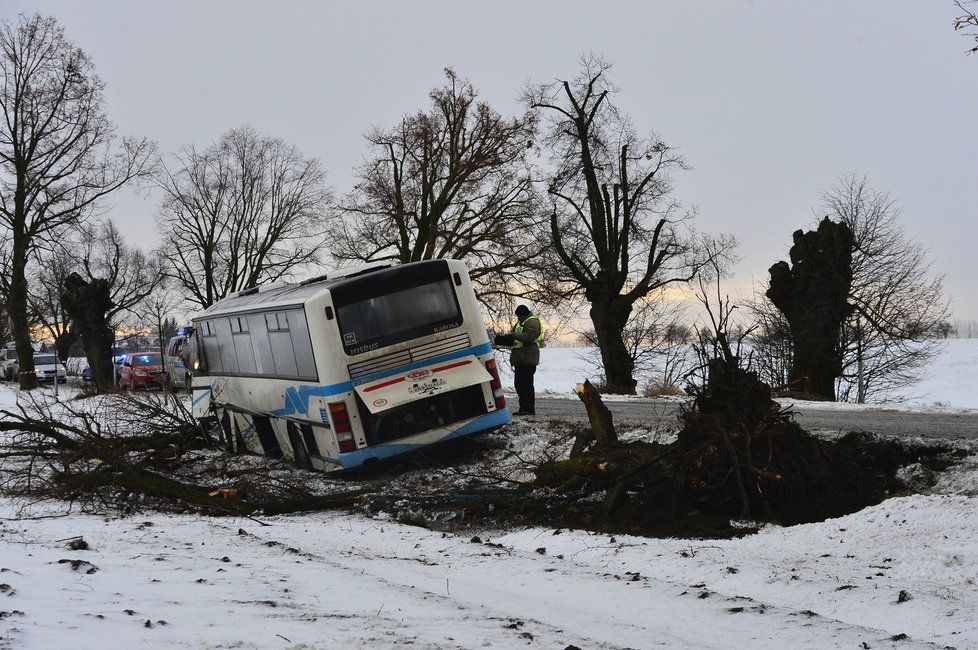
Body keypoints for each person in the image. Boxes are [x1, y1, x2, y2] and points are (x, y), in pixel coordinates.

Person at [508, 304, 543, 416]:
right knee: (519, 384)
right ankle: (523, 408)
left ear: (524, 314)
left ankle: (528, 409)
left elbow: (530, 337)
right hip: (520, 359)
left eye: (519, 316)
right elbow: (514, 335)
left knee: (526, 385)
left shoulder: (532, 322)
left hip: (528, 358)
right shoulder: (520, 323)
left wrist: (513, 336)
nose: (518, 318)